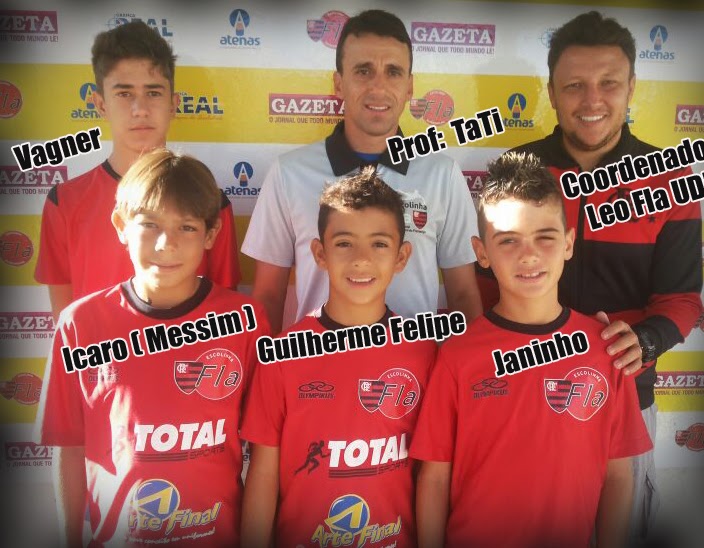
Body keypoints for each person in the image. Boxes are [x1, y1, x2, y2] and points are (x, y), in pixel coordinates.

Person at [487, 11, 702, 545]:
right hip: (520, 395)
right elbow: (486, 284)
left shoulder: (671, 178)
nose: (592, 100)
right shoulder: (516, 170)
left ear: (632, 87)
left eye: (609, 83)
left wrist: (645, 341)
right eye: (574, 85)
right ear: (551, 93)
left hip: (623, 400)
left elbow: (682, 299)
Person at [411, 152, 652, 548]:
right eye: (508, 240)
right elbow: (434, 477)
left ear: (568, 243)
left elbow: (618, 474)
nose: (529, 255)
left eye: (545, 236)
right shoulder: (458, 356)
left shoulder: (604, 349)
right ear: (481, 252)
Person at [34, 150, 267, 547]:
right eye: (149, 224)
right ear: (121, 225)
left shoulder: (245, 321)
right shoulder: (80, 324)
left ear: (211, 234)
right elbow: (68, 447)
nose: (166, 244)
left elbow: (264, 450)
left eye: (187, 227)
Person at [242, 9, 481, 333]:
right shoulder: (289, 173)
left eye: (393, 72)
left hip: (412, 364)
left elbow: (463, 294)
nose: (378, 88)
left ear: (409, 87)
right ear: (339, 83)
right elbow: (268, 296)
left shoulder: (443, 174)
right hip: (315, 363)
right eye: (363, 71)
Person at [241, 167, 438, 547]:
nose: (361, 260)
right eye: (345, 243)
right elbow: (263, 474)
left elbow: (432, 476)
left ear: (401, 257)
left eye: (379, 244)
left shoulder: (423, 353)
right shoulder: (282, 356)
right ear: (320, 253)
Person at [35, 21, 240, 321]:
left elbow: (225, 315)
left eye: (153, 93)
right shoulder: (64, 202)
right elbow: (65, 326)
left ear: (173, 104)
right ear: (100, 104)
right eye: (124, 93)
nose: (140, 109)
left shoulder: (210, 201)